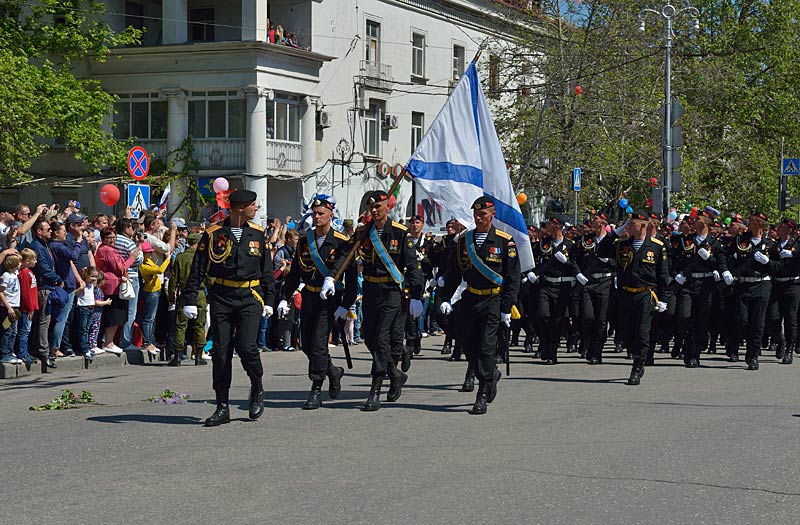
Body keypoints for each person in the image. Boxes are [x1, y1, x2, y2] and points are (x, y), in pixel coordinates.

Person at [183, 189, 275, 427]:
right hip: (222, 296)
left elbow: (266, 271)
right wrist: (190, 299)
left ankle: (257, 386)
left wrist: (272, 300)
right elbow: (198, 267)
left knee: (246, 347)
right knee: (221, 354)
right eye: (253, 205)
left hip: (250, 296)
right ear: (240, 207)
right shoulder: (214, 234)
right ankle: (222, 406)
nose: (257, 209)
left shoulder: (257, 234)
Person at [439, 196, 520, 415]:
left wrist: (506, 308)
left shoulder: (505, 241)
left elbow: (512, 277)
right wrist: (445, 297)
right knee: (468, 344)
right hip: (471, 298)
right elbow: (455, 272)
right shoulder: (465, 240)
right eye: (475, 214)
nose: (478, 218)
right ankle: (490, 374)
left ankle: (482, 392)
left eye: (483, 214)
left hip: (493, 301)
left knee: (486, 347)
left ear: (492, 215)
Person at [278, 196, 356, 410]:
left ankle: (315, 389)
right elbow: (295, 273)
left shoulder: (341, 241)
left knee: (320, 343)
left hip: (329, 301)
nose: (317, 217)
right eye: (315, 213)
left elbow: (349, 279)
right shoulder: (305, 240)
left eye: (321, 213)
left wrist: (345, 304)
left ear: (331, 215)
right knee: (306, 344)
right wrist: (285, 296)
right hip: (310, 297)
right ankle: (332, 371)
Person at [356, 190, 423, 412]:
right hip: (370, 289)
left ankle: (375, 389)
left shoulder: (401, 233)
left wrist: (415, 296)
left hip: (392, 291)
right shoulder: (364, 233)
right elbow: (346, 256)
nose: (374, 211)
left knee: (382, 338)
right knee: (369, 337)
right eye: (371, 208)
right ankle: (395, 374)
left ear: (388, 207)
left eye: (379, 207)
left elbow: (412, 267)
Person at [597, 211, 671, 385]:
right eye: (628, 223)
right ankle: (636, 355)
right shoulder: (622, 244)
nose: (629, 225)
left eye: (633, 223)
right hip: (625, 294)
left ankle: (637, 367)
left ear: (643, 225)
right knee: (626, 332)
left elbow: (663, 275)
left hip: (646, 294)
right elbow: (601, 250)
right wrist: (616, 232)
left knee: (642, 333)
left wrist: (664, 298)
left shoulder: (657, 246)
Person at [725, 211, 781, 370]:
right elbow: (726, 257)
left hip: (762, 285)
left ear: (759, 224)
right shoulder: (740, 240)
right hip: (743, 284)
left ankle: (753, 356)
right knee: (741, 320)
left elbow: (778, 267)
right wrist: (727, 270)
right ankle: (742, 344)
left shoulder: (770, 244)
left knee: (758, 323)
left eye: (752, 221)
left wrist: (767, 262)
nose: (748, 224)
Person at [95, 227, 141, 356]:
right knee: (114, 316)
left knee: (112, 316)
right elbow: (121, 268)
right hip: (112, 286)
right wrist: (132, 258)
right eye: (109, 238)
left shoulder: (105, 249)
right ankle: (108, 342)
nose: (112, 240)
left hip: (111, 285)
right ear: (103, 239)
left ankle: (107, 341)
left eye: (114, 237)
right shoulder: (108, 250)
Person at [167, 232, 209, 366]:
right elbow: (210, 277)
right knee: (199, 325)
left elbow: (173, 279)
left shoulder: (180, 258)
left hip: (184, 293)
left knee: (180, 326)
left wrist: (171, 295)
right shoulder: (203, 258)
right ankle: (198, 356)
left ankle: (178, 356)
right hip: (200, 293)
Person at [28, 220, 60, 369]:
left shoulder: (45, 245)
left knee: (44, 320)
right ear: (39, 231)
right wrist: (57, 279)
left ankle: (38, 348)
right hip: (43, 287)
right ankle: (43, 352)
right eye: (47, 229)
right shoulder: (37, 246)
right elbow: (43, 268)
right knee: (43, 320)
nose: (50, 231)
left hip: (47, 285)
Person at [114, 218, 143, 350]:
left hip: (117, 277)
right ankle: (126, 341)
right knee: (131, 311)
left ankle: (109, 339)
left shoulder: (114, 240)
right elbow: (137, 260)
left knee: (117, 309)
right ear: (126, 228)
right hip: (131, 277)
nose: (132, 230)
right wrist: (139, 247)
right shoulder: (128, 242)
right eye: (131, 227)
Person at [138, 241, 172, 357]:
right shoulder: (144, 265)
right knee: (149, 318)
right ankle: (147, 342)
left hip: (156, 290)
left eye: (151, 252)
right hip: (150, 292)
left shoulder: (149, 261)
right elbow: (159, 270)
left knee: (152, 318)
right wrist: (168, 259)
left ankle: (149, 340)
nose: (151, 254)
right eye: (148, 252)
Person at [16, 248, 38, 365]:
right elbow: (25, 293)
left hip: (31, 307)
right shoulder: (24, 273)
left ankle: (25, 351)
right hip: (25, 308)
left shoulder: (29, 272)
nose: (36, 262)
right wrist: (30, 308)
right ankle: (22, 353)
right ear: (27, 261)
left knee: (27, 330)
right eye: (34, 260)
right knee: (24, 331)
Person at [0, 253, 22, 364]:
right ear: (13, 264)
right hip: (8, 307)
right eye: (18, 262)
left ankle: (10, 351)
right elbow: (1, 292)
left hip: (15, 306)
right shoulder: (6, 275)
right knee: (6, 330)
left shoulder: (15, 274)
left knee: (14, 331)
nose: (20, 264)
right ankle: (4, 353)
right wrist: (8, 307)